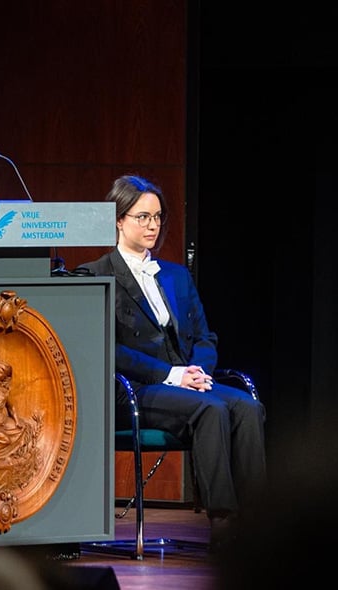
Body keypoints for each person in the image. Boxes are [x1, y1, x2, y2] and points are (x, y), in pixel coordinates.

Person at [78, 174, 267, 550]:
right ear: (118, 219)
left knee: (248, 406)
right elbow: (108, 348)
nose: (152, 225)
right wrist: (171, 374)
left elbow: (205, 337)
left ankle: (261, 521)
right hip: (135, 389)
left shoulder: (177, 276)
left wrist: (197, 371)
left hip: (187, 383)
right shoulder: (96, 275)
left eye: (158, 217)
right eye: (142, 217)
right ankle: (224, 522)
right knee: (210, 410)